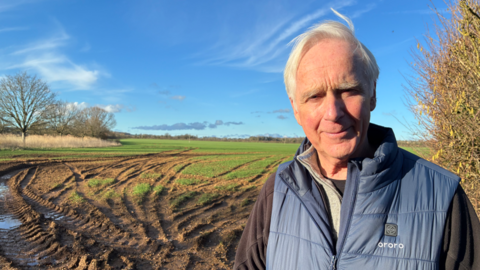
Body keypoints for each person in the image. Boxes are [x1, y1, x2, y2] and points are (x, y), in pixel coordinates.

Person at [234, 10, 480, 270]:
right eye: (314, 96)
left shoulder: (441, 196)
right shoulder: (278, 190)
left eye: (348, 90)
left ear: (372, 94)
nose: (333, 113)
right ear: (295, 108)